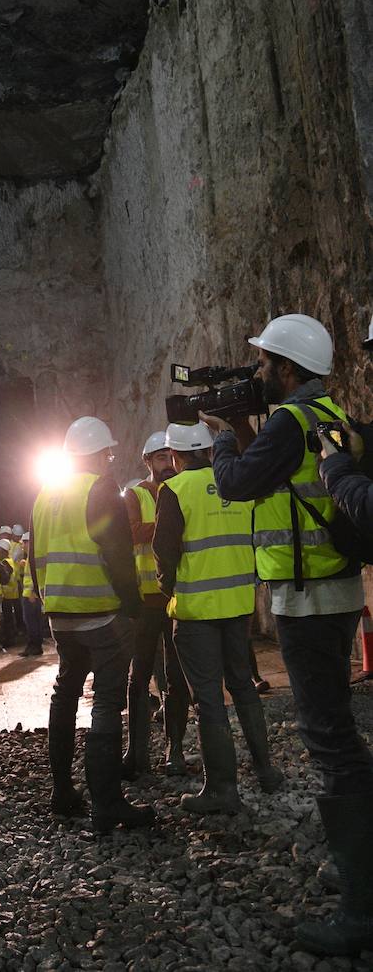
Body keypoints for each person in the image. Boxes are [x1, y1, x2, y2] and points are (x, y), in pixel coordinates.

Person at [202, 312, 373, 955]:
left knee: (331, 745)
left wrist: (222, 433)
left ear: (288, 367)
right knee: (341, 738)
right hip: (337, 593)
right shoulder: (331, 414)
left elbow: (237, 482)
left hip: (305, 602)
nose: (259, 373)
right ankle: (361, 864)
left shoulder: (288, 422)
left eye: (265, 363)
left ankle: (361, 908)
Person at [152, 422, 283, 814]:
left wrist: (167, 586)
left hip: (196, 611)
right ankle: (266, 770)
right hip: (238, 603)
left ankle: (222, 789)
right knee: (242, 686)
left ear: (175, 455)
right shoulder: (234, 482)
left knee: (209, 698)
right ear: (208, 450)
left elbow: (165, 550)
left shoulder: (174, 489)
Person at [31, 416, 153, 834]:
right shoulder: (100, 490)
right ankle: (106, 802)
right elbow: (119, 557)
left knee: (65, 695)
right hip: (101, 613)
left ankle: (63, 792)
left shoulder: (45, 495)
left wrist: (48, 602)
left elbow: (34, 558)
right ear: (101, 454)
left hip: (61, 616)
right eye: (108, 453)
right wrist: (132, 607)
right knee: (105, 702)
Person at [122, 430, 190, 778]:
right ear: (147, 462)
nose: (167, 463)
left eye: (170, 456)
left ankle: (174, 750)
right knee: (139, 677)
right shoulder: (135, 495)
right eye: (160, 457)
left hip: (176, 598)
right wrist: (167, 525)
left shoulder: (182, 489)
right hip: (146, 602)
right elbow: (130, 532)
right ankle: (137, 751)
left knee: (177, 679)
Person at [17, 530, 44, 656]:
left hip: (31, 595)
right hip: (30, 594)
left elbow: (37, 576)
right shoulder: (30, 557)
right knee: (33, 622)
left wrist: (33, 592)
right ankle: (34, 646)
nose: (23, 545)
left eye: (25, 543)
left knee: (31, 622)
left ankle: (34, 646)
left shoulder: (32, 557)